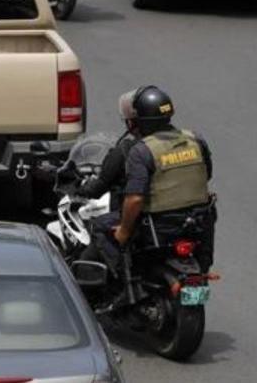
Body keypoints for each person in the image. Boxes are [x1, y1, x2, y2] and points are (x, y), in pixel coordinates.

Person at [88, 86, 215, 279]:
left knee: (100, 225)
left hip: (159, 226)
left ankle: (123, 280)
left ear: (138, 121)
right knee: (210, 209)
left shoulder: (141, 150)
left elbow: (135, 199)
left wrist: (123, 230)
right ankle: (203, 269)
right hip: (198, 222)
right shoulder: (195, 139)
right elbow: (206, 175)